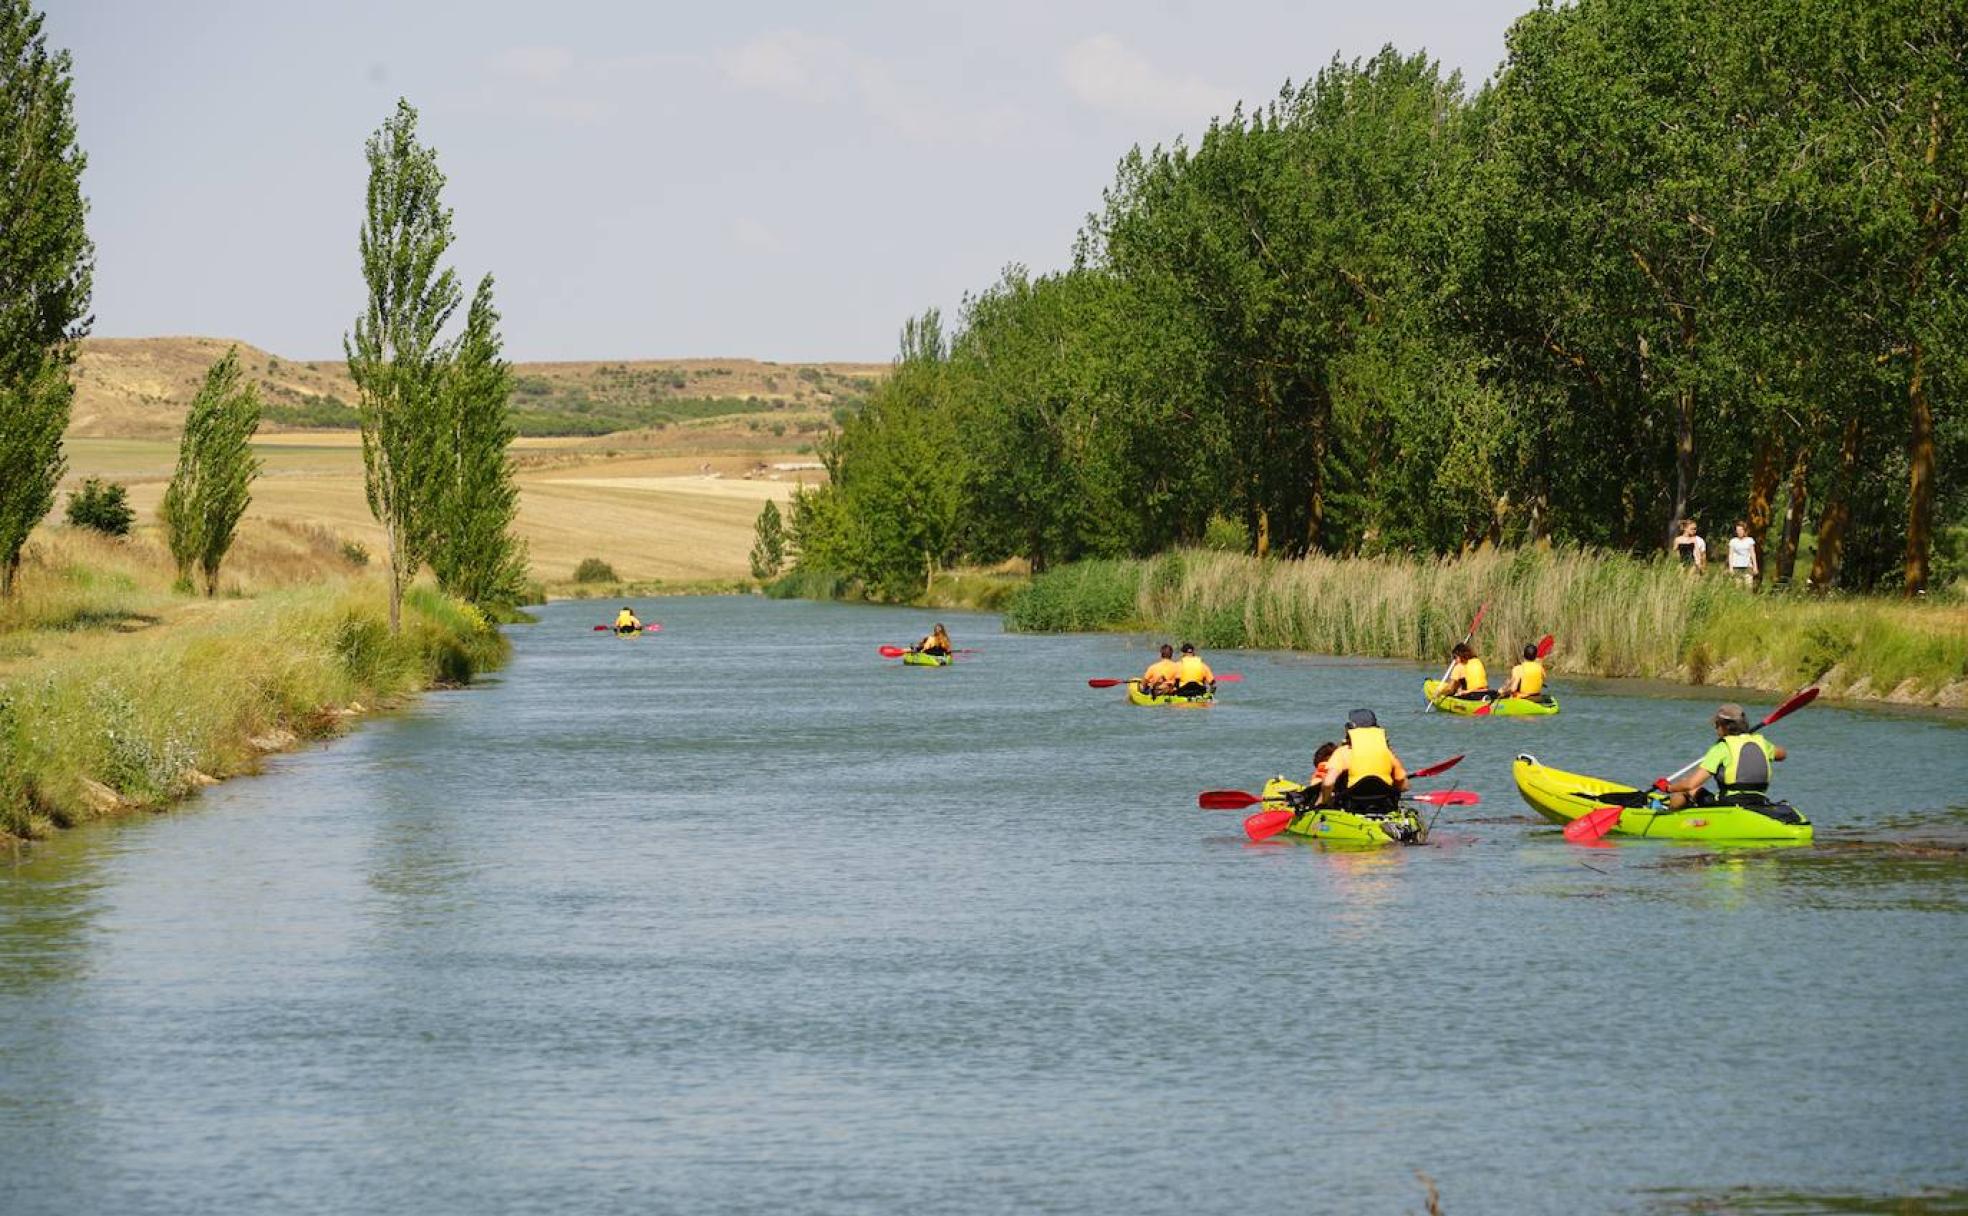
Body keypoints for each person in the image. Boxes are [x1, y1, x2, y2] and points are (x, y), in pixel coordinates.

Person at [1664, 702, 1786, 810]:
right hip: (1759, 801)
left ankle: (1670, 817)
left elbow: (1691, 784)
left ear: (1723, 726)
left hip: (1729, 803)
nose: (1715, 727)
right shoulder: (1761, 742)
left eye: (1717, 724)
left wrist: (1668, 788)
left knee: (1683, 788)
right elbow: (1782, 754)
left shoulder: (1722, 747)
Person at [1320, 709, 1410, 810]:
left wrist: (1325, 803)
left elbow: (1328, 783)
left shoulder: (1342, 753)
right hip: (1384, 806)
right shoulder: (1387, 753)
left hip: (1352, 806)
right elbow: (1404, 786)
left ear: (1349, 730)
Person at [1727, 521, 1758, 588]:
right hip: (1737, 567)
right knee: (1738, 587)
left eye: (1741, 530)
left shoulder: (1750, 540)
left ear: (1744, 530)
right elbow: (1730, 555)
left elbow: (1753, 554)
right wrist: (1730, 567)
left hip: (1747, 567)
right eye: (1737, 530)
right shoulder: (1733, 541)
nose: (1739, 532)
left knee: (1749, 586)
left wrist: (1755, 566)